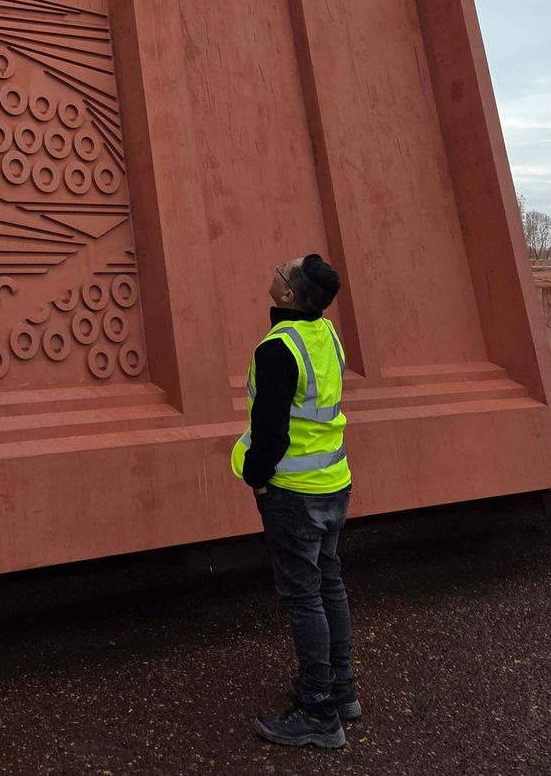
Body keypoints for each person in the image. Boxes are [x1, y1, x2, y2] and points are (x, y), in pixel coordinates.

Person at [231, 254, 356, 750]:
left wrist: (258, 479)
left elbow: (270, 432)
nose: (277, 266)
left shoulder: (278, 348)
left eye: (284, 271)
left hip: (294, 494)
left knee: (304, 596)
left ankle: (319, 711)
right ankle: (341, 690)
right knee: (330, 585)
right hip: (333, 483)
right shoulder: (325, 335)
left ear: (287, 296)